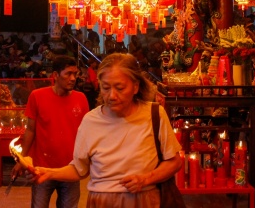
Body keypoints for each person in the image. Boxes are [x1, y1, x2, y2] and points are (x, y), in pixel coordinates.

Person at [33, 53, 183, 207]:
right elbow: (79, 169)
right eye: (105, 88)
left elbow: (174, 161)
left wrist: (146, 179)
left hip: (144, 200)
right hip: (100, 201)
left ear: (135, 86)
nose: (111, 95)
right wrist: (50, 173)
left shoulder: (155, 114)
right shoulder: (90, 121)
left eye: (120, 88)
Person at [12, 55, 90, 208]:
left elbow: (86, 133)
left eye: (75, 73)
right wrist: (22, 160)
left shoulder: (81, 98)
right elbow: (30, 130)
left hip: (71, 169)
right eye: (68, 73)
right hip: (42, 168)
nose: (73, 78)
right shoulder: (37, 96)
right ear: (55, 75)